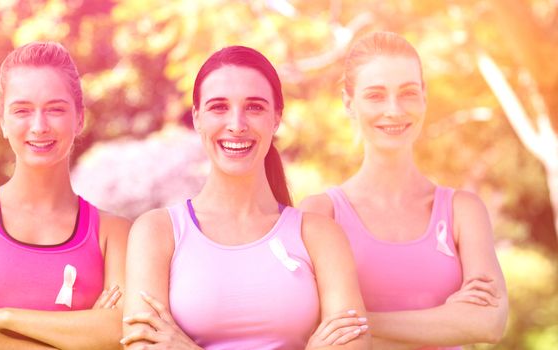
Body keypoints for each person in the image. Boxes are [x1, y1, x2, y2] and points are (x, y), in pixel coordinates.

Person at [121, 45, 370, 349]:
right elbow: (142, 345)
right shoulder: (156, 233)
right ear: (198, 118)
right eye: (219, 107)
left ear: (276, 119)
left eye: (254, 107)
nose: (237, 125)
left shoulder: (321, 236)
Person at [300, 31, 508, 349]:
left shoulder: (463, 211)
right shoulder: (320, 214)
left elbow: (489, 322)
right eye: (376, 95)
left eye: (408, 93)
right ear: (348, 103)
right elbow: (307, 324)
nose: (394, 110)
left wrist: (356, 320)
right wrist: (449, 318)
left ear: (424, 97)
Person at [0, 41, 130, 349]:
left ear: (80, 118)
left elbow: (119, 332)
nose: (39, 126)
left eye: (55, 109)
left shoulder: (113, 233)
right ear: (3, 121)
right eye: (22, 110)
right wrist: (79, 337)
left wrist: (5, 318)